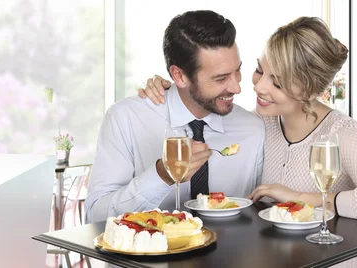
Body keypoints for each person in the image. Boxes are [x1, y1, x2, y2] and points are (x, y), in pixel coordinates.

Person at [139, 16, 357, 267]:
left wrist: (302, 198)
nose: (259, 86)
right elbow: (203, 99)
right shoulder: (260, 123)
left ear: (313, 90)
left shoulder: (341, 132)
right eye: (259, 70)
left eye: (277, 83)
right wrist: (175, 88)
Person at [85, 10, 265, 224]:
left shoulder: (253, 129)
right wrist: (161, 175)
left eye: (237, 71)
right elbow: (95, 217)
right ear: (179, 76)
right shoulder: (126, 119)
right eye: (221, 78)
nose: (236, 87)